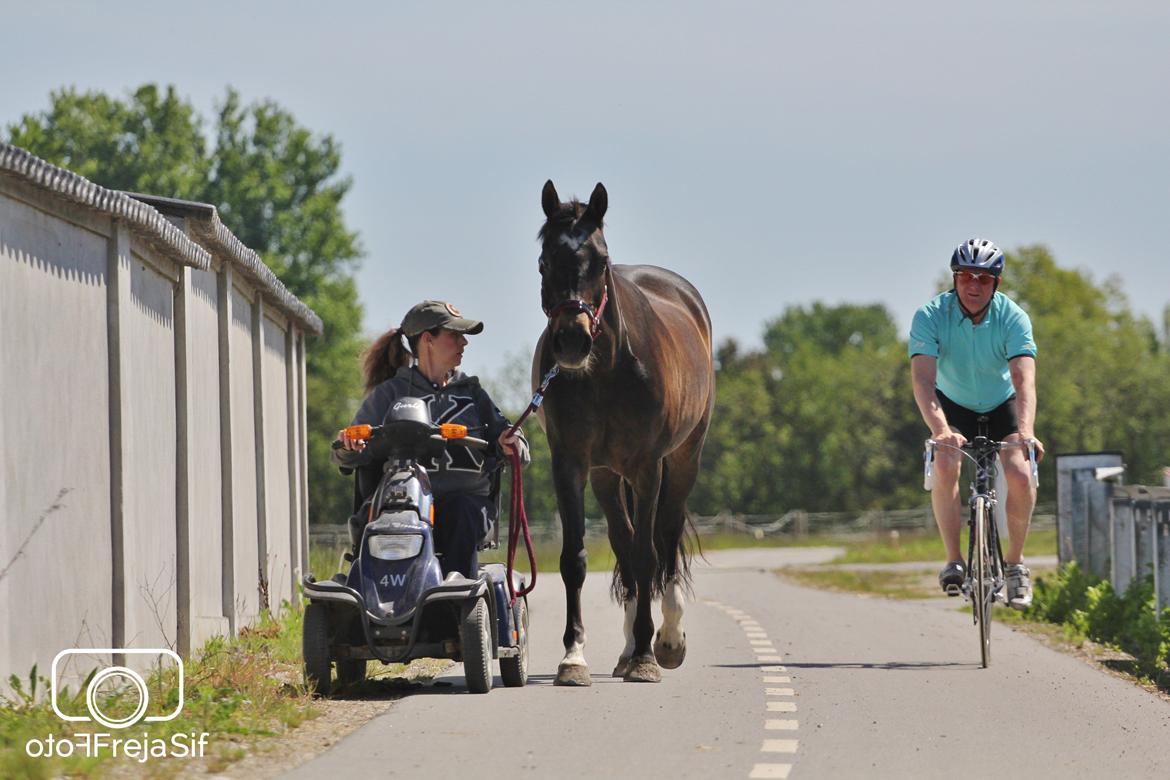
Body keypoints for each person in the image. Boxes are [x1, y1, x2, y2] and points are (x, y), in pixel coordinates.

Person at [333, 300, 529, 579]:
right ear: (428, 339)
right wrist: (349, 446)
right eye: (455, 335)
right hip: (402, 504)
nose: (464, 342)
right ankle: (372, 593)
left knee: (463, 513)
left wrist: (513, 444)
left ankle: (456, 596)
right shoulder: (390, 393)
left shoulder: (473, 394)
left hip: (462, 506)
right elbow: (345, 453)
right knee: (374, 519)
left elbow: (515, 442)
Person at [909, 239, 1045, 609]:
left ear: (996, 283)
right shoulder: (930, 315)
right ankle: (954, 560)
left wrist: (1027, 431)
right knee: (945, 462)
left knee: (1020, 472)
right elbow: (923, 380)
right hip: (952, 404)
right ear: (954, 278)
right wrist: (940, 429)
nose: (973, 285)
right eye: (965, 276)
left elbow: (1024, 381)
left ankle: (1015, 565)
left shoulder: (1013, 317)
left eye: (983, 279)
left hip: (1002, 403)